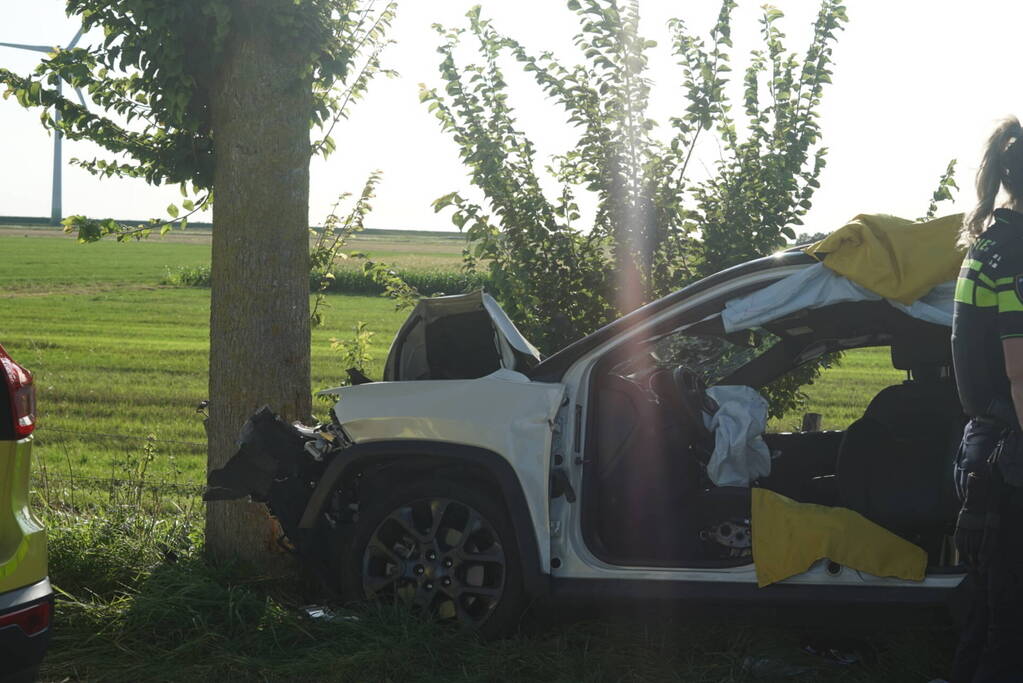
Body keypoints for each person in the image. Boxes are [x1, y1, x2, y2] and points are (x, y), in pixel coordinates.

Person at [950, 116, 1023, 683]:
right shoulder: (1017, 253)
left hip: (987, 447)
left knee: (995, 601)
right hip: (1012, 451)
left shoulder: (990, 244)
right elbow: (1020, 373)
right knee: (1012, 626)